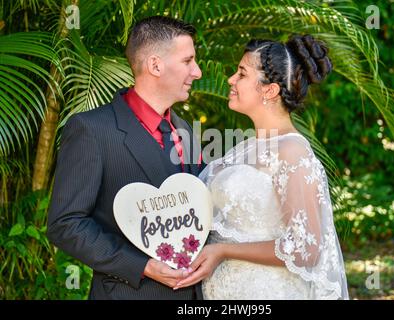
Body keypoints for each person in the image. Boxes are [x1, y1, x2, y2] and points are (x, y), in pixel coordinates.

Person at [174, 35, 349, 299]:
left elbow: (306, 249)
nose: (231, 80)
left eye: (242, 74)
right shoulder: (245, 147)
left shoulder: (292, 151)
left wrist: (223, 251)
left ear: (270, 90)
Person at [47, 16, 203, 300]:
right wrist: (142, 266)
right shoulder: (91, 130)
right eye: (188, 61)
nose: (198, 72)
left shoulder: (185, 129)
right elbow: (65, 223)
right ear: (155, 65)